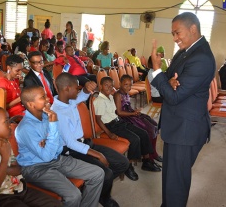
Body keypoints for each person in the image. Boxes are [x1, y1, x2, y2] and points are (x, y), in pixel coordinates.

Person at [150, 12, 216, 207]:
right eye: (173, 34)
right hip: (177, 126)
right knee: (171, 180)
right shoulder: (186, 50)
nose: (175, 38)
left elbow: (174, 96)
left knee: (176, 184)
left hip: (186, 130)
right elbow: (171, 79)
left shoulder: (201, 57)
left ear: (193, 29)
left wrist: (156, 71)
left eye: (177, 33)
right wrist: (168, 80)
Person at [15, 86, 105, 207]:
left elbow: (59, 145)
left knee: (98, 173)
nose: (48, 99)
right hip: (36, 168)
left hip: (56, 159)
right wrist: (52, 129)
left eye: (46, 95)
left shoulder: (47, 116)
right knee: (73, 195)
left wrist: (48, 142)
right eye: (43, 97)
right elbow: (47, 156)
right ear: (31, 104)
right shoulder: (25, 128)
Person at [52, 73, 130, 207]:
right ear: (67, 89)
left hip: (85, 143)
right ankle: (103, 197)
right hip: (72, 150)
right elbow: (71, 143)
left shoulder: (68, 100)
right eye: (76, 88)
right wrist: (97, 154)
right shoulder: (58, 112)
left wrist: (86, 90)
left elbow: (81, 96)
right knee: (106, 173)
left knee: (123, 162)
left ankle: (98, 190)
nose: (78, 90)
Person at [0, 106, 62, 207]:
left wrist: (0, 168)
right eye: (6, 121)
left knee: (55, 204)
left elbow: (18, 169)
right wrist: (4, 160)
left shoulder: (5, 143)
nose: (10, 125)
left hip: (18, 188)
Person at [94, 77, 161, 174]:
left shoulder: (111, 97)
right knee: (135, 139)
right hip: (111, 126)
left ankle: (147, 161)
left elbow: (116, 112)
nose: (109, 87)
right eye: (106, 85)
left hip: (119, 122)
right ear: (100, 86)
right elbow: (98, 119)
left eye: (111, 85)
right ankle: (128, 167)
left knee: (143, 133)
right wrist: (109, 134)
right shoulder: (99, 100)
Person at [114, 74, 162, 163]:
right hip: (125, 119)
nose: (128, 87)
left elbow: (127, 107)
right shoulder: (118, 94)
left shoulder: (125, 93)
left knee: (154, 124)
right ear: (120, 84)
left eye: (130, 85)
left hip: (131, 115)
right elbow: (119, 112)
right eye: (126, 84)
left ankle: (153, 153)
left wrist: (135, 111)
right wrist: (133, 113)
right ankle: (149, 156)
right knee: (149, 129)